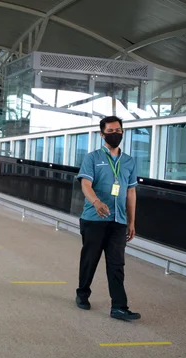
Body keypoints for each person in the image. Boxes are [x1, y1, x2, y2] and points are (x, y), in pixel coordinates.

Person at [75, 115, 141, 322]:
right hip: (94, 219)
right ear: (102, 134)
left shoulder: (129, 161)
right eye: (111, 131)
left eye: (118, 131)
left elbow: (131, 193)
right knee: (90, 259)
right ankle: (82, 293)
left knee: (116, 264)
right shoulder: (92, 158)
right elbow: (85, 184)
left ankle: (119, 307)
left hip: (118, 221)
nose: (115, 134)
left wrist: (131, 221)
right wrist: (96, 202)